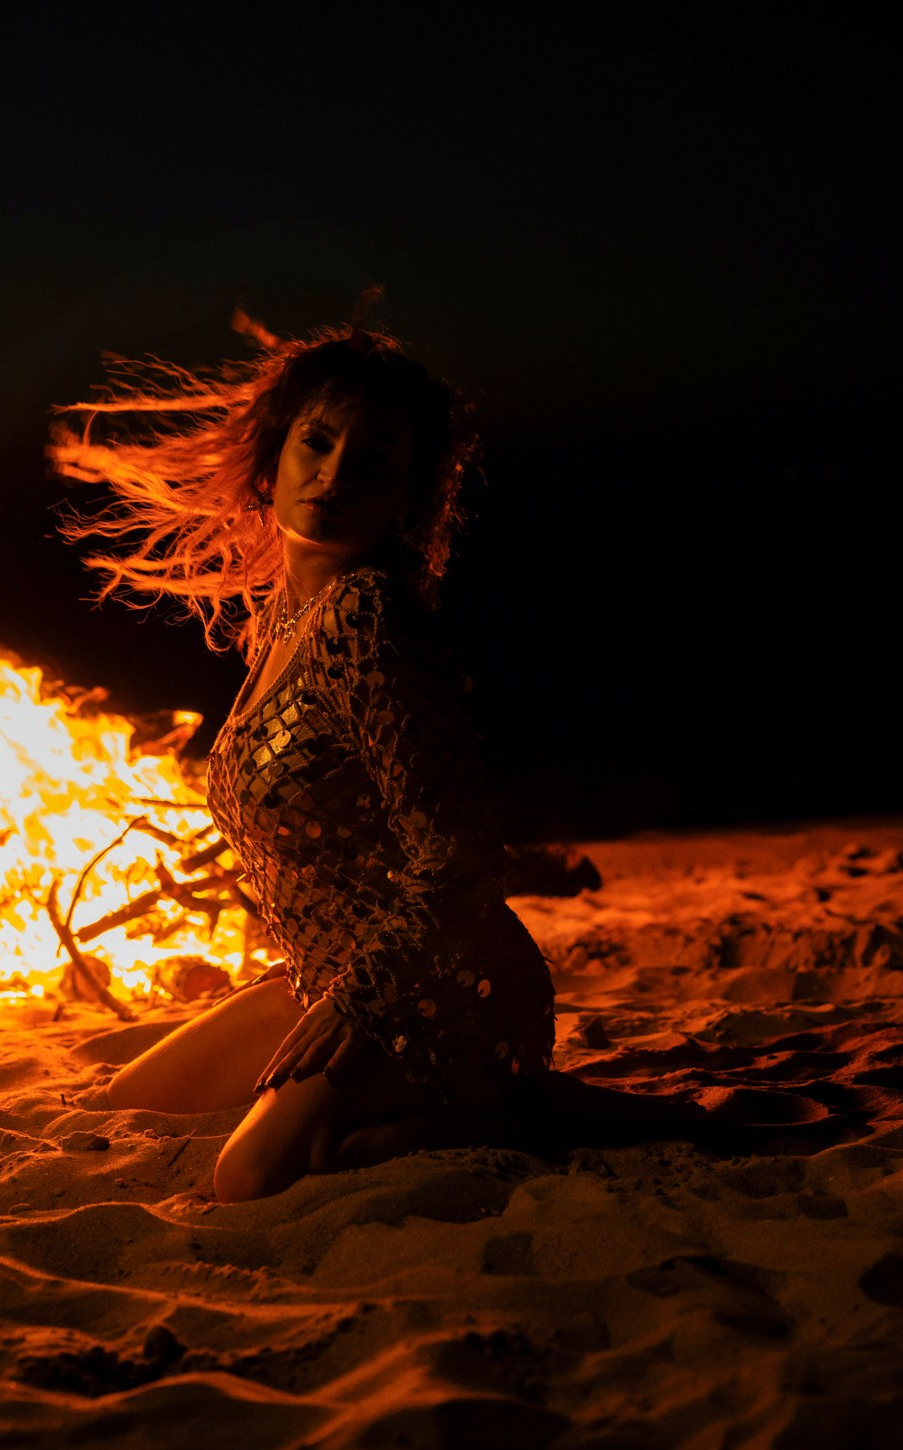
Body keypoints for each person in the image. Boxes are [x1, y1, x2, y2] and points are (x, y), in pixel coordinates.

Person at [51, 316, 701, 1201]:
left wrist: (364, 1006)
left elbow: (458, 861)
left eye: (374, 460)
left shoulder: (371, 622)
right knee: (130, 1108)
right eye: (317, 443)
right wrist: (333, 991)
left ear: (408, 494)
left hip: (443, 987)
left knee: (249, 1175)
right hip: (323, 982)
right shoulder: (283, 622)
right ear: (270, 458)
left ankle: (512, 1113)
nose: (334, 475)